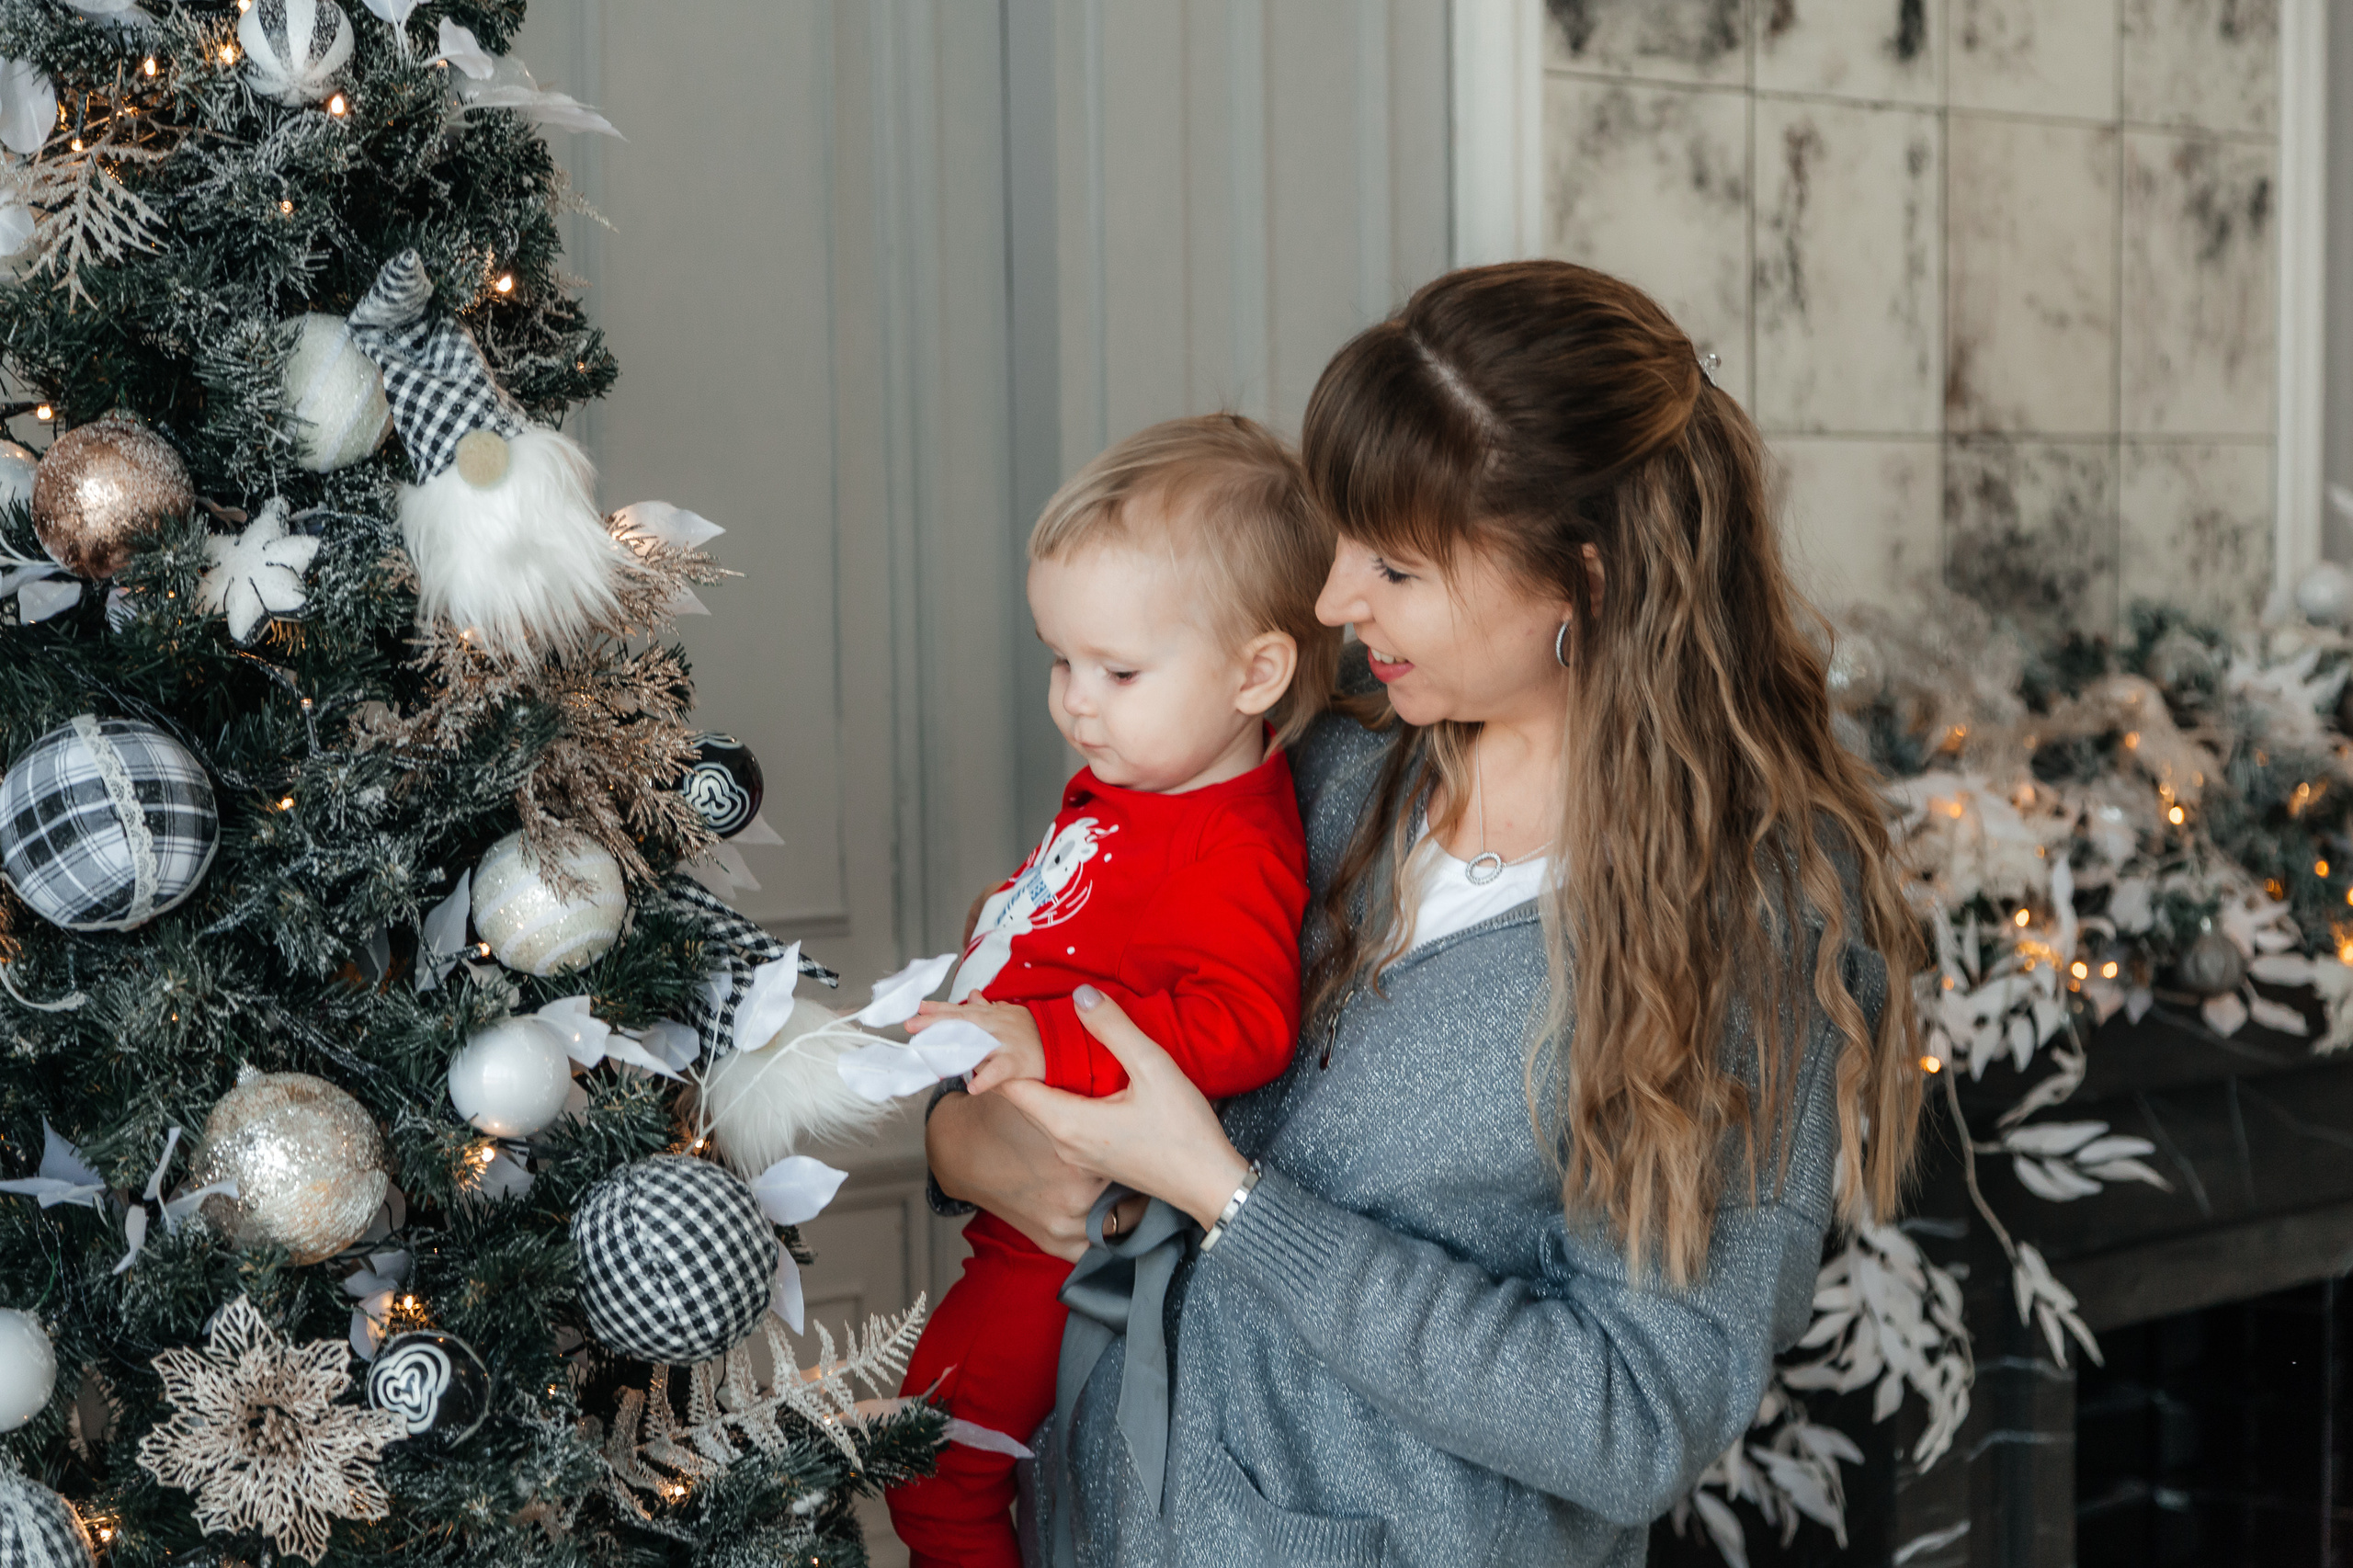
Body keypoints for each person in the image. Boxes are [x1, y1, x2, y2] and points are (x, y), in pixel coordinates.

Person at [924, 260, 1927, 1566]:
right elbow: (1054, 980)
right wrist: (963, 1143)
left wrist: (1232, 1196)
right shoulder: (1330, 772)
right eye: (1343, 541)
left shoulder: (1741, 923)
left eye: (1395, 565)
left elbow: (1629, 1416)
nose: (1334, 600)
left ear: (1588, 578)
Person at [884, 415, 1342, 1568]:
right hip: (1004, 1186)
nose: (1074, 703)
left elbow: (1246, 1025)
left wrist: (1035, 1038)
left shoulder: (1230, 843)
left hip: (1051, 1250)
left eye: (1117, 670)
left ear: (1256, 670)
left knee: (934, 1471)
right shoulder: (1141, 772)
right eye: (1061, 660)